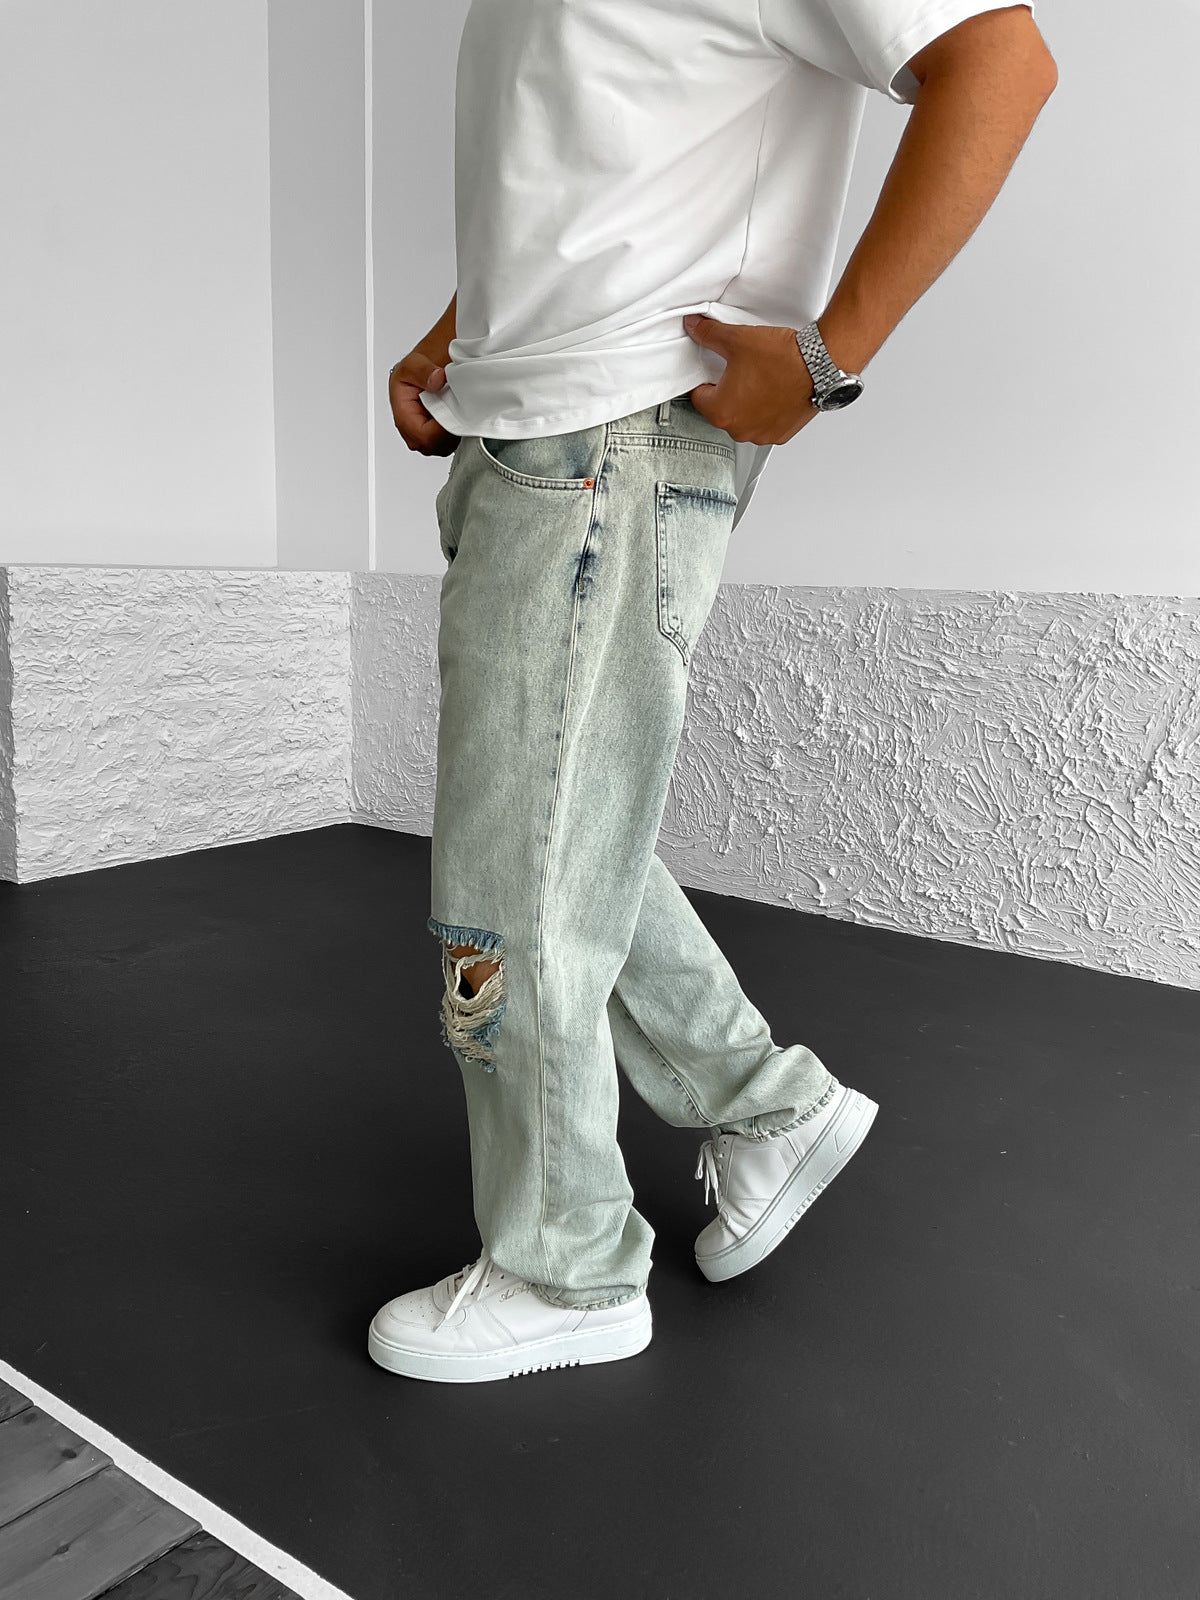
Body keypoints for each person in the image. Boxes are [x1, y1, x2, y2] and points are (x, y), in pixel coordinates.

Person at [368, 0, 1057, 1384]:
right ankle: (763, 1110)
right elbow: (588, 174)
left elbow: (1001, 62)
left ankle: (566, 1270)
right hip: (532, 434)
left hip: (614, 439)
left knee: (511, 878)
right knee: (554, 832)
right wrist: (466, 336)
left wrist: (826, 357)